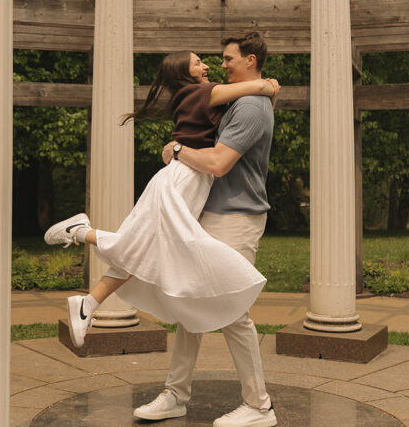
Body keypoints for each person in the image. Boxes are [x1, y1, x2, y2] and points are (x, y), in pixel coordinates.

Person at [44, 49, 279, 355]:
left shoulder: (198, 94)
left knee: (144, 248)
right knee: (139, 245)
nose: (208, 65)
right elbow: (257, 88)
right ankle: (80, 232)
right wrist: (269, 85)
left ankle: (87, 303)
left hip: (192, 179)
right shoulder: (196, 93)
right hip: (183, 179)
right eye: (198, 62)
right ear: (185, 72)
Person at [133, 30, 278, 427]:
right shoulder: (237, 100)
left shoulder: (250, 106)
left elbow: (217, 163)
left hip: (236, 217)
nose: (221, 64)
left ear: (250, 60)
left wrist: (177, 150)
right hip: (210, 213)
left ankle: (259, 406)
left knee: (232, 312)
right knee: (189, 304)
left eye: (229, 58)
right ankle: (175, 396)